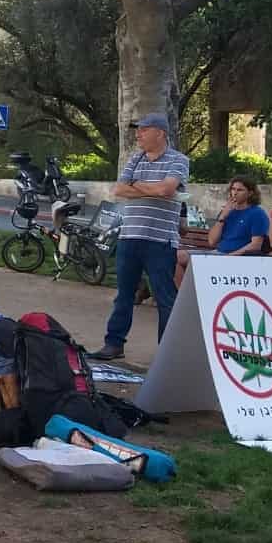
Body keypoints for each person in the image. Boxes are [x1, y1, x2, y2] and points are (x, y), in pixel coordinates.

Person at [97, 113, 190, 361]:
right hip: (130, 237)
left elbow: (167, 189)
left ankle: (168, 354)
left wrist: (137, 186)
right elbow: (119, 189)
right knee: (124, 295)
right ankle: (114, 343)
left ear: (160, 133)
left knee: (164, 297)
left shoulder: (178, 160)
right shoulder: (135, 159)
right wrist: (151, 189)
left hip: (160, 240)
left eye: (143, 130)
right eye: (137, 130)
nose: (138, 134)